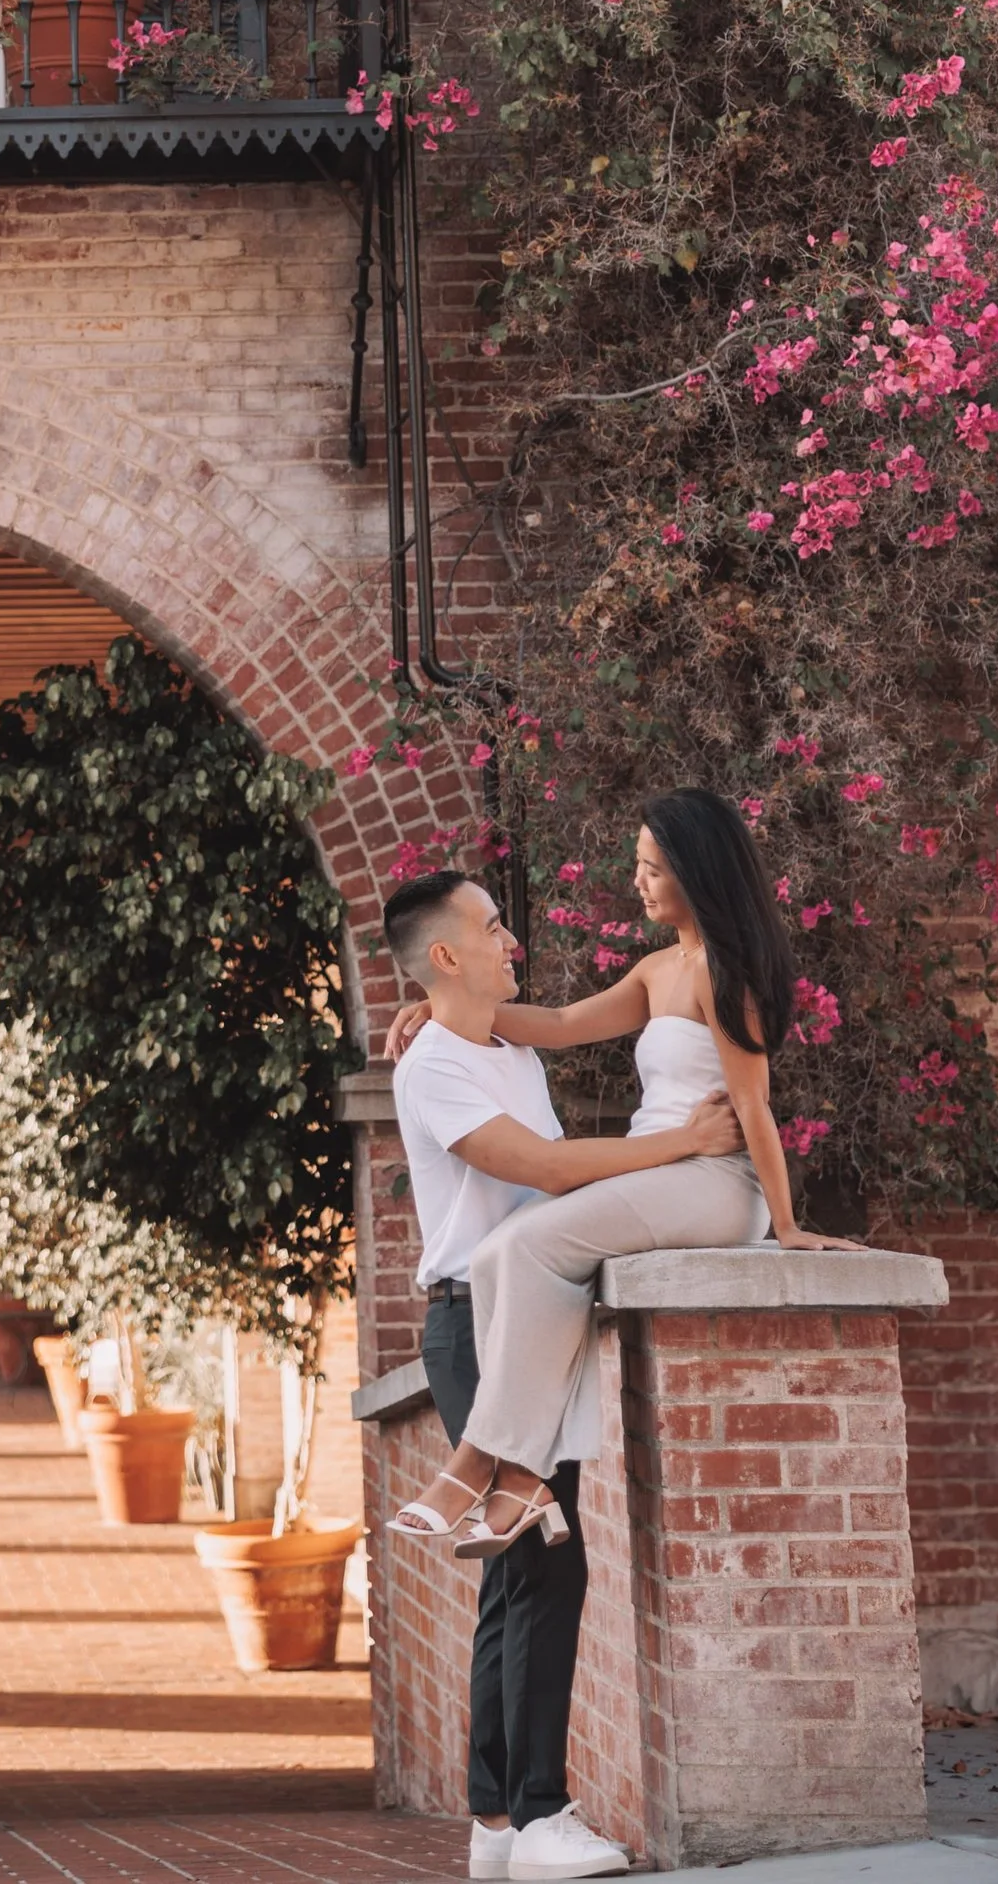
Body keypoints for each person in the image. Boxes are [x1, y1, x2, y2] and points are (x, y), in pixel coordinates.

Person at [381, 863, 746, 1883]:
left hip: (531, 1316)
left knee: (523, 1569)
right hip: (474, 1323)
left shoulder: (492, 1041)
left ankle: (495, 1824)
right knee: (545, 1560)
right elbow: (539, 1172)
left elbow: (549, 1029)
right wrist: (688, 1144)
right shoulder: (434, 1068)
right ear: (445, 952)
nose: (513, 941)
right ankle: (538, 1813)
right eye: (492, 927)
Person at [416, 790, 853, 1569]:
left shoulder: (726, 974)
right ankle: (524, 1478)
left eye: (653, 869)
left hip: (713, 1181)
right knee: (497, 1255)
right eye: (639, 867)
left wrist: (784, 1225)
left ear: (694, 872)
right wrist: (443, 1010)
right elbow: (553, 1027)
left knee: (532, 1246)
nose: (640, 882)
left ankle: (488, 1463)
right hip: (660, 1173)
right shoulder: (658, 970)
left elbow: (753, 1110)